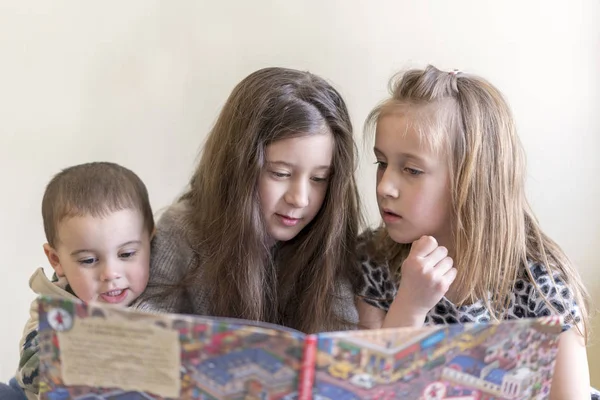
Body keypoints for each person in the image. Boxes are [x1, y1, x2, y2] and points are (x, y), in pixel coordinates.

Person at [356, 65, 596, 399]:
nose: (385, 187)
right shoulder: (373, 257)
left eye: (411, 170)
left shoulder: (540, 284)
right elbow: (372, 391)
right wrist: (409, 306)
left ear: (473, 179)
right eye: (381, 163)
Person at [134, 67, 361, 334]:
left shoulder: (326, 238)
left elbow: (344, 338)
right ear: (237, 168)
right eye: (280, 173)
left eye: (319, 178)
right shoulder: (183, 228)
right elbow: (146, 327)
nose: (299, 199)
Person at [13, 162, 154, 399]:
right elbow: (32, 369)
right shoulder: (53, 308)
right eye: (89, 260)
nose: (110, 274)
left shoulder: (164, 289)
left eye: (126, 254)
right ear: (56, 260)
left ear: (151, 242)